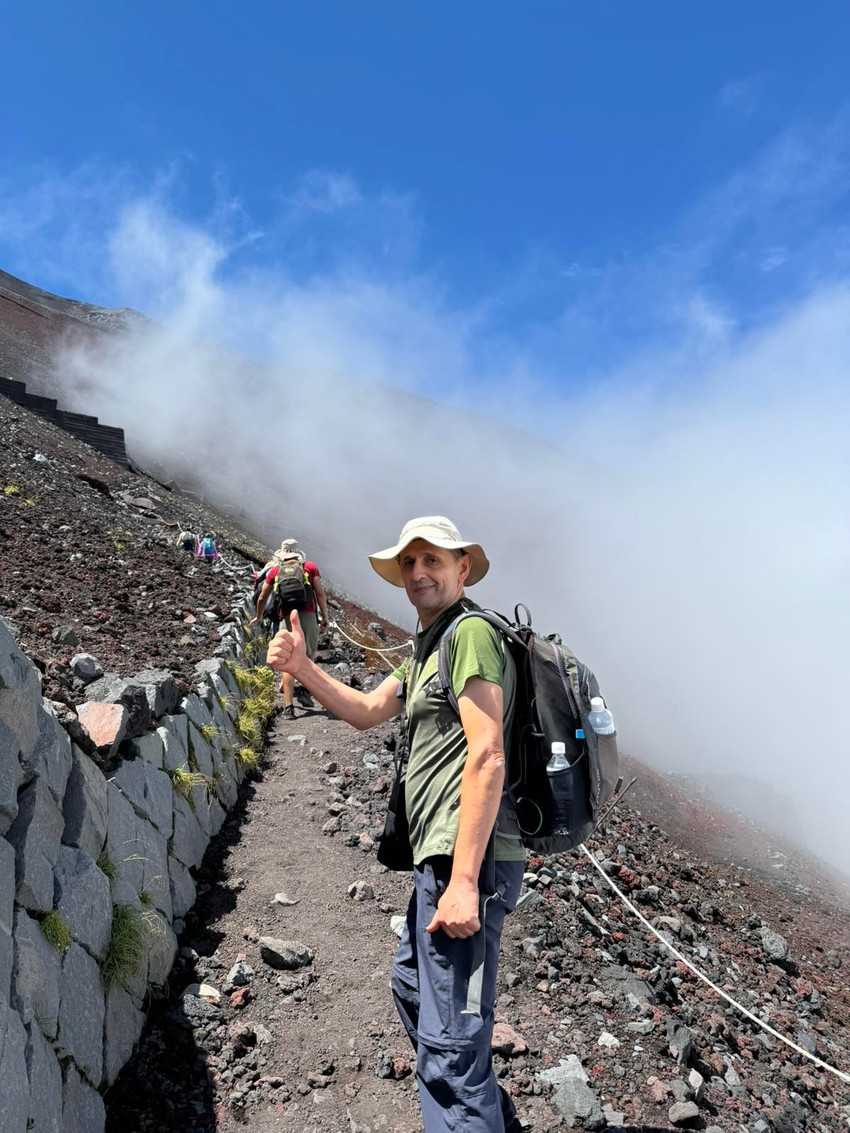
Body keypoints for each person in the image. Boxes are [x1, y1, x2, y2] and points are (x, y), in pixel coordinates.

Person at [267, 516, 526, 1132]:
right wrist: (302, 667)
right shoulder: (428, 647)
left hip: (469, 861)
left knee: (451, 1044)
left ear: (462, 568)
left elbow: (488, 754)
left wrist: (464, 882)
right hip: (439, 859)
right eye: (409, 563)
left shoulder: (469, 635)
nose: (417, 573)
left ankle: (468, 1114)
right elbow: (365, 710)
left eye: (432, 560)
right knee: (412, 986)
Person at [256, 549, 330, 719]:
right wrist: (325, 617)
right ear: (299, 558)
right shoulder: (310, 567)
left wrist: (259, 616)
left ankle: (288, 707)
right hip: (309, 616)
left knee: (288, 660)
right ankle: (304, 690)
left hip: (286, 617)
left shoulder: (276, 571)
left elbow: (262, 597)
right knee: (308, 656)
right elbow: (320, 594)